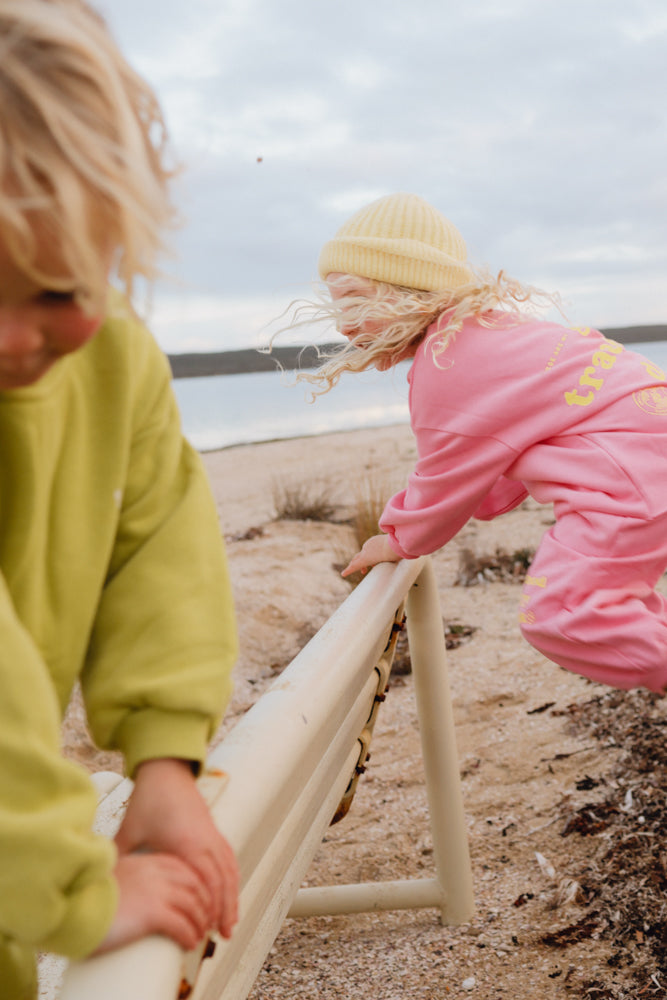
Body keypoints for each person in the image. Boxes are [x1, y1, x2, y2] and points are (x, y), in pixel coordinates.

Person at [0, 1, 239, 995]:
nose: (13, 340)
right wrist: (67, 887)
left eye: (56, 293)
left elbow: (157, 548)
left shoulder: (122, 367)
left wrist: (165, 762)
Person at [298, 191, 667, 694]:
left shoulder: (446, 367)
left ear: (408, 291)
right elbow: (502, 447)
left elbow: (442, 482)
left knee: (562, 615)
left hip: (632, 473)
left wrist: (397, 539)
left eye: (355, 301)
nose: (342, 323)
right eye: (335, 305)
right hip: (645, 450)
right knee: (616, 604)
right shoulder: (489, 331)